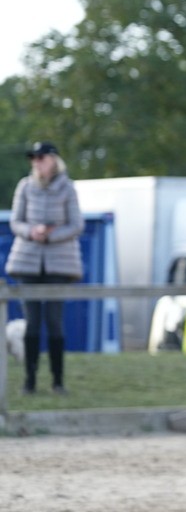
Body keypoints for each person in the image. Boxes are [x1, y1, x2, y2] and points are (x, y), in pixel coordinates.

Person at [5, 141, 84, 395]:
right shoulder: (25, 187)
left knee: (54, 322)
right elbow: (15, 222)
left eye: (41, 157)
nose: (37, 162)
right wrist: (32, 231)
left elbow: (76, 224)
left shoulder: (68, 188)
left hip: (58, 263)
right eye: (34, 158)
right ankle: (29, 381)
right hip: (28, 262)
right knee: (32, 324)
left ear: (53, 160)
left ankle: (58, 382)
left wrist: (51, 235)